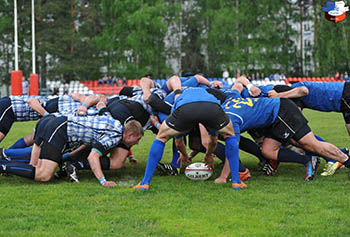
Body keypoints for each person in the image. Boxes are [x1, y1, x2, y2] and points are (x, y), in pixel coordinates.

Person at [215, 79, 350, 183]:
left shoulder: (230, 114)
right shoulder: (231, 97)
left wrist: (224, 177)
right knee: (268, 151)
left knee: (309, 143)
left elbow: (232, 148)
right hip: (271, 119)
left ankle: (345, 160)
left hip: (281, 111)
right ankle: (308, 160)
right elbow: (239, 83)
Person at [133, 87, 247, 191]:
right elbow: (213, 140)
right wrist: (208, 155)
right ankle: (236, 182)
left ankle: (145, 183)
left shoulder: (179, 97)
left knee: (162, 137)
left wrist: (184, 155)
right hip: (212, 108)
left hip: (186, 107)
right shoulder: (208, 94)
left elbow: (178, 142)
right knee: (230, 136)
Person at [0, 114, 143, 186]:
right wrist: (103, 181)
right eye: (137, 139)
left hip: (53, 122)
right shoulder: (115, 135)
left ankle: (4, 161)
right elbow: (93, 157)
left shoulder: (116, 123)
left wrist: (68, 157)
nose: (136, 143)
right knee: (43, 175)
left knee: (33, 167)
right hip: (59, 129)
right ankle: (2, 166)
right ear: (129, 135)